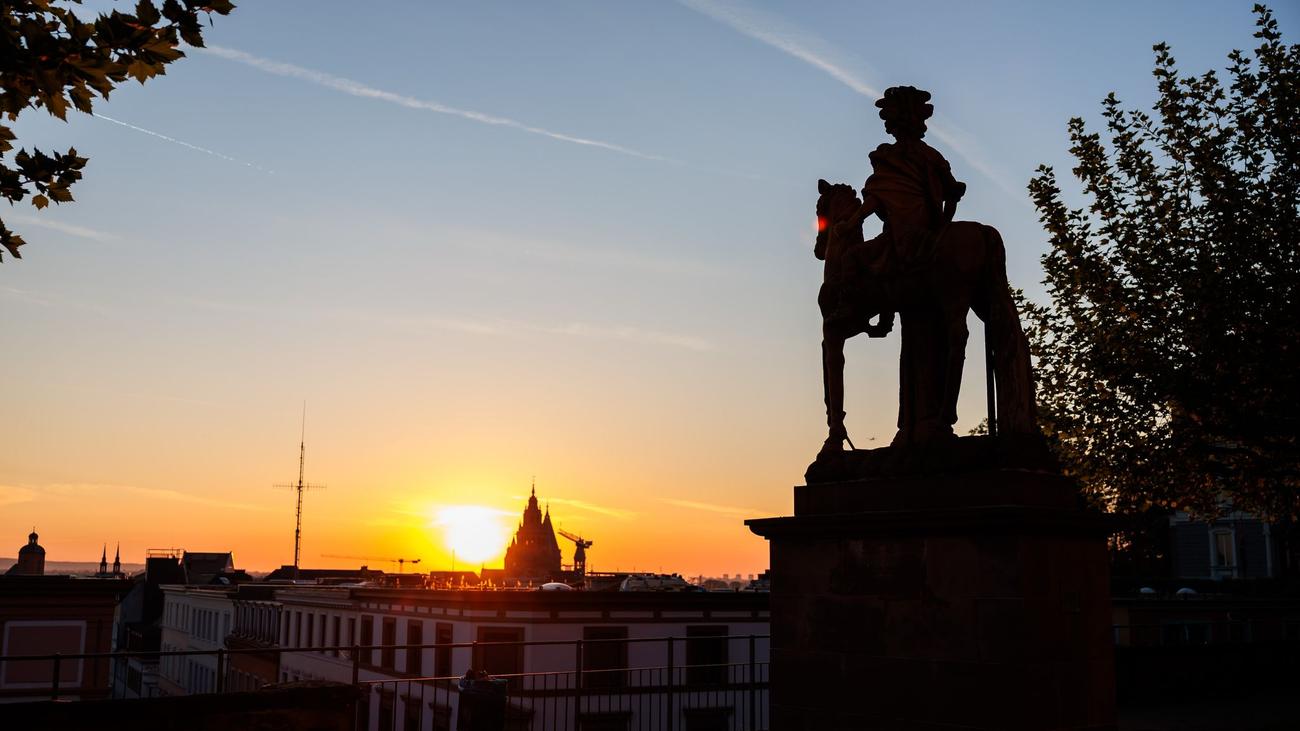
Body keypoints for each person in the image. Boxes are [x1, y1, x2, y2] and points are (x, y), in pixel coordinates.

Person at [858, 86, 966, 271]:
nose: (886, 124)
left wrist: (852, 222)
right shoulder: (932, 155)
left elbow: (876, 197)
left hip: (902, 235)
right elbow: (953, 193)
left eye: (889, 118)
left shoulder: (887, 156)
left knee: (853, 259)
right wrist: (942, 225)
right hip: (926, 231)